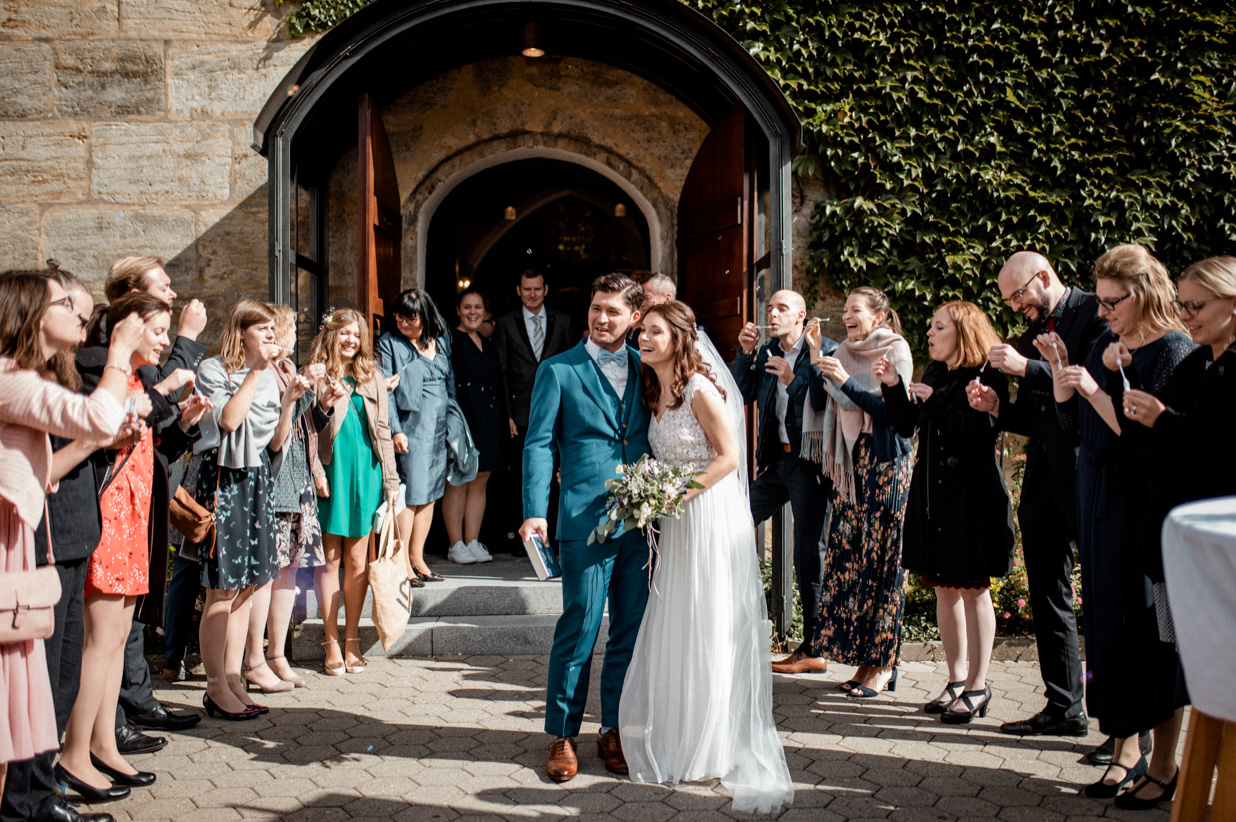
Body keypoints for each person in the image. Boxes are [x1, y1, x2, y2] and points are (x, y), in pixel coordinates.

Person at [618, 301, 793, 812]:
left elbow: (729, 458)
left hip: (709, 517)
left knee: (710, 624)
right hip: (678, 523)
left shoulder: (699, 388)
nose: (643, 339)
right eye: (642, 332)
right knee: (681, 622)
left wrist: (673, 495)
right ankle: (682, 734)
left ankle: (715, 744)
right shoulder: (656, 391)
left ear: (677, 338)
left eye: (653, 332)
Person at [1044, 244, 1193, 801]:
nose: (1103, 313)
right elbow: (1082, 426)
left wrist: (1093, 389)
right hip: (1099, 493)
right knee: (1107, 624)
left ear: (1144, 293)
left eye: (1112, 302)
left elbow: (1148, 439)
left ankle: (1164, 762)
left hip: (1145, 500)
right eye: (1101, 301)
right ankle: (1124, 749)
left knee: (1151, 632)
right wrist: (1065, 388)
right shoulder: (1107, 343)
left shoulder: (1174, 349)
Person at [56, 294, 209, 802]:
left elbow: (153, 446)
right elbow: (99, 434)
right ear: (127, 329)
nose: (167, 342)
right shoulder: (102, 370)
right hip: (108, 514)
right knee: (99, 642)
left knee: (118, 638)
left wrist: (179, 421)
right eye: (159, 331)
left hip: (134, 514)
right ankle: (75, 754)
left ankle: (103, 744)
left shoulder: (137, 378)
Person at [0, 273, 139, 810]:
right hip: (16, 544)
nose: (82, 318)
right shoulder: (12, 380)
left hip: (19, 541)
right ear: (30, 314)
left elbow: (46, 473)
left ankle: (28, 803)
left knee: (27, 688)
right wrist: (119, 351)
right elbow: (98, 413)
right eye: (66, 305)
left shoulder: (18, 377)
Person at [967, 250, 1109, 742]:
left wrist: (1027, 367)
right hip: (1043, 476)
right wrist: (994, 408)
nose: (1015, 307)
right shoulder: (1030, 332)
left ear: (1044, 277)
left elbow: (1090, 384)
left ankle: (1124, 729)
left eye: (1019, 294)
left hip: (1088, 471)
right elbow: (1030, 417)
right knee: (1049, 590)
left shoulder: (1096, 314)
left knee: (1105, 596)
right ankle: (1064, 705)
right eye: (1008, 300)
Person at [1111, 256, 1236, 810]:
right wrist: (1135, 406)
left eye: (1197, 305)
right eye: (1182, 304)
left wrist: (1160, 420)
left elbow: (1219, 448)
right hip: (1175, 546)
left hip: (1217, 552)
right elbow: (1156, 440)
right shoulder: (1199, 364)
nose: (1187, 315)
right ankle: (1166, 766)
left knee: (1207, 665)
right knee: (1171, 656)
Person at [519, 273, 651, 783]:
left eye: (613, 312)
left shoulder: (648, 368)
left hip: (642, 525)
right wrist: (535, 509)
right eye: (597, 308)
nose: (601, 318)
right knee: (578, 627)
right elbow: (537, 444)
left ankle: (613, 728)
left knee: (629, 633)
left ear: (634, 318)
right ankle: (563, 735)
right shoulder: (558, 370)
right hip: (581, 519)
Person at [880, 301, 1015, 722]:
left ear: (963, 332)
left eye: (939, 327)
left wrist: (935, 402)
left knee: (974, 588)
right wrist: (891, 385)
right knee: (943, 588)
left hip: (971, 497)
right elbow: (907, 425)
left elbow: (977, 433)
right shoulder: (936, 372)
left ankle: (978, 685)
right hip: (933, 496)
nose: (930, 334)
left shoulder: (986, 376)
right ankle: (955, 679)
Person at [188, 300, 310, 719]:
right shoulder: (214, 370)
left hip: (256, 479)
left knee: (245, 588)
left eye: (274, 331)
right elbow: (227, 422)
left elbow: (275, 444)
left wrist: (290, 399)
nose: (272, 337)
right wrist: (257, 370)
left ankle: (235, 678)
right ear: (241, 331)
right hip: (223, 478)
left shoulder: (272, 377)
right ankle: (215, 684)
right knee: (221, 590)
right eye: (264, 330)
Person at [806, 286, 914, 698]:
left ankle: (883, 665)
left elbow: (892, 414)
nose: (847, 316)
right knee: (852, 561)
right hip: (853, 468)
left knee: (885, 565)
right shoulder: (841, 353)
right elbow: (822, 398)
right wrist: (818, 355)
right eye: (845, 310)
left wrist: (847, 381)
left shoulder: (895, 349)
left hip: (886, 466)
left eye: (855, 310)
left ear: (879, 316)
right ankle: (867, 660)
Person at [731, 290, 836, 675]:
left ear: (801, 315)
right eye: (769, 308)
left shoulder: (824, 351)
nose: (771, 314)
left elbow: (826, 403)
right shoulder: (764, 351)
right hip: (776, 463)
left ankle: (814, 647)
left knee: (808, 553)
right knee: (735, 517)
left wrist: (793, 379)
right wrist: (744, 355)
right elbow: (738, 394)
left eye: (781, 309)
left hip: (809, 463)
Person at [242, 305, 326, 692]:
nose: (286, 336)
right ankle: (255, 658)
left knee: (288, 575)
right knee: (267, 576)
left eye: (285, 330)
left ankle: (277, 653)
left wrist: (320, 402)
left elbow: (303, 428)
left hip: (298, 479)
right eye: (281, 329)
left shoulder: (287, 368)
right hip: (276, 484)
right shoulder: (260, 374)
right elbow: (276, 437)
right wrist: (295, 396)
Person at [312, 308, 400, 674]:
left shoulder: (372, 375)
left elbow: (383, 429)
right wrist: (316, 470)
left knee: (358, 560)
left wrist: (391, 482)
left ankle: (352, 638)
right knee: (330, 559)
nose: (351, 340)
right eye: (344, 333)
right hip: (331, 472)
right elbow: (307, 428)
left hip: (367, 472)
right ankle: (330, 639)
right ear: (331, 334)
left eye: (356, 334)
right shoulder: (317, 373)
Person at [377, 290, 465, 571]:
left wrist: (455, 422)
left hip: (438, 429)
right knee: (411, 495)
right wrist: (395, 429)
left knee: (431, 495)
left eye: (412, 317)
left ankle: (418, 557)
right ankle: (402, 562)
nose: (404, 322)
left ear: (425, 317)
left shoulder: (440, 341)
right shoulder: (389, 344)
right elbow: (385, 392)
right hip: (411, 429)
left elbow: (449, 383)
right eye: (400, 316)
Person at [495, 269, 574, 550]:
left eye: (537, 289)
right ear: (518, 290)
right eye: (526, 289)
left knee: (556, 474)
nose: (532, 294)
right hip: (521, 412)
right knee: (523, 476)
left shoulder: (562, 321)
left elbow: (570, 367)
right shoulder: (506, 323)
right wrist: (508, 413)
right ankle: (523, 541)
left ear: (546, 289)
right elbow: (502, 370)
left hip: (558, 410)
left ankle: (552, 536)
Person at [443, 287, 505, 562]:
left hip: (488, 419)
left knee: (481, 480)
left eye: (478, 308)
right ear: (458, 310)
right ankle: (455, 543)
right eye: (467, 307)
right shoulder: (450, 340)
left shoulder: (486, 342)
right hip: (463, 419)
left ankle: (473, 541)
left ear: (485, 312)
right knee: (459, 480)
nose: (472, 313)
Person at [626, 273, 676, 346]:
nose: (641, 303)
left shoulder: (679, 330)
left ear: (667, 299)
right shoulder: (632, 325)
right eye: (640, 298)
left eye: (647, 298)